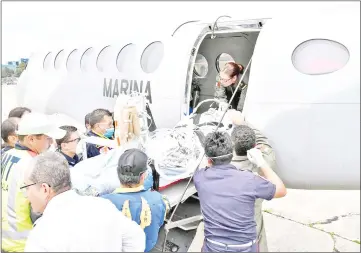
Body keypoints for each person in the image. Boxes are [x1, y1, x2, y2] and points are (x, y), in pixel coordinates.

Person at [22, 151, 146, 252]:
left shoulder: (42, 235)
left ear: (44, 189)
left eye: (27, 187)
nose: (26, 195)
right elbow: (136, 239)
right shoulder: (102, 206)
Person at [193, 131, 287, 252]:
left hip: (213, 247)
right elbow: (281, 190)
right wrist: (261, 162)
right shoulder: (249, 180)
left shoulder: (200, 178)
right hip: (245, 248)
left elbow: (204, 166)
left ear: (209, 160)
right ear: (232, 154)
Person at [1, 112, 66, 252]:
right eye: (48, 138)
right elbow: (38, 209)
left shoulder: (7, 155)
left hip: (5, 239)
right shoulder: (35, 164)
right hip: (24, 243)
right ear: (31, 139)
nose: (51, 143)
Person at [101, 149, 170, 252]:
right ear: (143, 176)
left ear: (117, 173)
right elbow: (159, 222)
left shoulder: (102, 203)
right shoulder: (160, 200)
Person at [229, 110, 277, 252]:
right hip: (251, 226)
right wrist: (243, 123)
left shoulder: (224, 167)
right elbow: (263, 142)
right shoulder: (265, 162)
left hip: (227, 230)